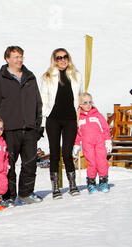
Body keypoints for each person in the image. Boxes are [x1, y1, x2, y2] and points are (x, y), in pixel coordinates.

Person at [0, 46, 43, 206]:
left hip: (30, 128)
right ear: (7, 59)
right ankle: (8, 196)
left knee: (30, 163)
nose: (19, 60)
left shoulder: (30, 78)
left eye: (21, 57)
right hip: (8, 130)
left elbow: (38, 102)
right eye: (16, 57)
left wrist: (38, 124)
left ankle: (26, 194)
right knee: (8, 165)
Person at [41, 48, 83, 199]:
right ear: (54, 59)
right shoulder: (47, 76)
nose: (62, 60)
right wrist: (45, 114)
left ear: (68, 58)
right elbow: (43, 97)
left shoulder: (76, 75)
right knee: (54, 153)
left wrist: (80, 115)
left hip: (70, 118)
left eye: (65, 57)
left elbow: (79, 95)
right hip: (53, 119)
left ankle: (72, 185)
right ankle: (55, 188)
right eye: (58, 58)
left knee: (67, 152)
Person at [72, 93, 112, 194]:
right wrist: (76, 145)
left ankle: (103, 182)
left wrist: (107, 141)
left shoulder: (97, 115)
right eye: (85, 103)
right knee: (92, 163)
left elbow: (105, 129)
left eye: (90, 102)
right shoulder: (78, 118)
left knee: (102, 162)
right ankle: (91, 183)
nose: (88, 105)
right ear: (80, 104)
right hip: (87, 145)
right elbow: (78, 134)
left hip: (99, 143)